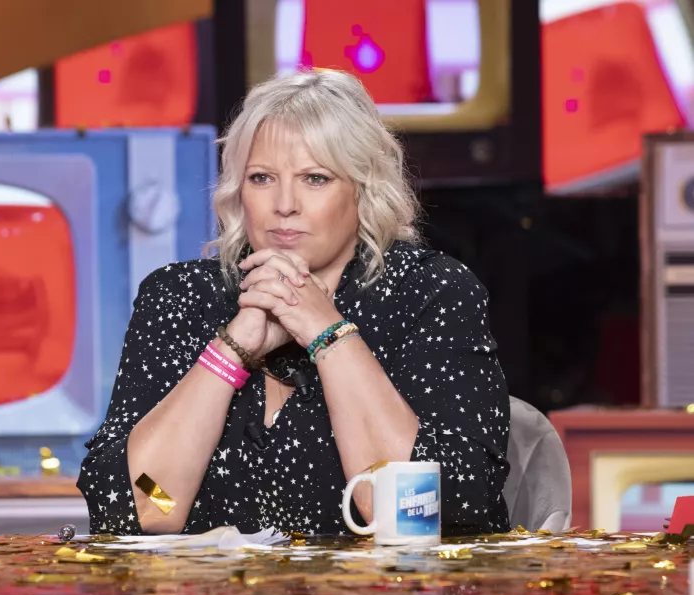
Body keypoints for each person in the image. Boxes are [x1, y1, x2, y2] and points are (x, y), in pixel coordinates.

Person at [77, 69, 511, 537]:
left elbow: (429, 510)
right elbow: (141, 505)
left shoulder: (428, 293)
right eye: (261, 178)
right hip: (214, 588)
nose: (285, 204)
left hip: (386, 585)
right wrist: (231, 350)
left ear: (363, 189)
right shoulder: (180, 297)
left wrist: (329, 335)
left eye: (315, 178)